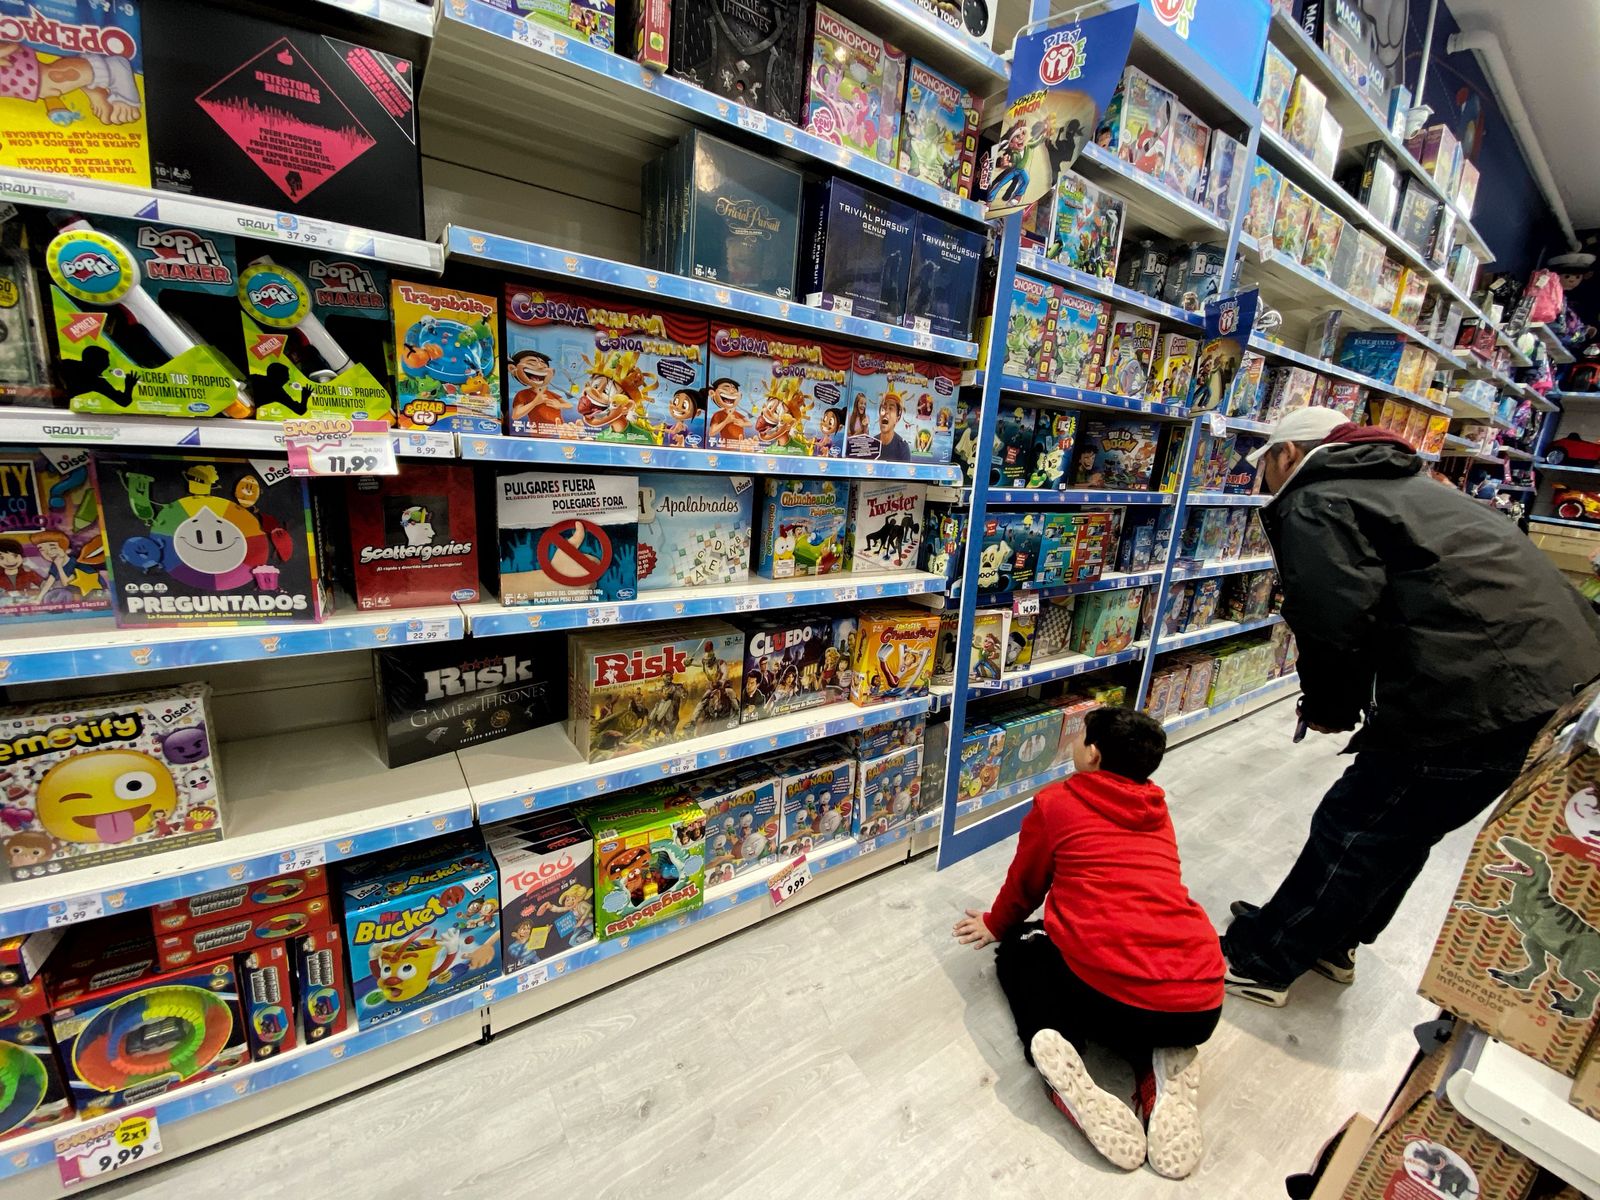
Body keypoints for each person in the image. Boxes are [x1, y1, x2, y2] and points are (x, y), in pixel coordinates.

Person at [1223, 407, 1600, 1007]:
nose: (1261, 478)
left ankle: (1265, 960)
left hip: (1476, 692)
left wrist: (1330, 706)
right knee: (1403, 828)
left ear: (1288, 455)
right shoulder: (1413, 487)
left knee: (1360, 825)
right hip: (1551, 682)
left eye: (1262, 463)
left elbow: (1334, 618)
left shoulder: (1319, 499)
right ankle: (1329, 940)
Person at [953, 707, 1224, 1179]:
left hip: (1111, 996)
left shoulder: (1057, 804)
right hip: (1200, 999)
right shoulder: (1157, 808)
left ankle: (1059, 1051)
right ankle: (1156, 1065)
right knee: (1140, 997)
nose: (1075, 745)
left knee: (1021, 951)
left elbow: (1026, 885)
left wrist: (997, 924)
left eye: (1080, 738)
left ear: (1093, 755)